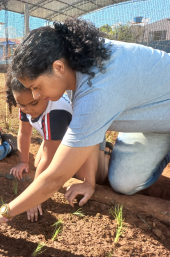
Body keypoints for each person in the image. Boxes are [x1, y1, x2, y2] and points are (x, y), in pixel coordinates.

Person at [0, 18, 170, 230]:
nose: (36, 95)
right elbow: (88, 130)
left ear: (58, 67)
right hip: (147, 117)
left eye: (36, 86)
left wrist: (6, 211)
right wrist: (89, 183)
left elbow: (55, 177)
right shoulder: (79, 65)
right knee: (124, 183)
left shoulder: (97, 90)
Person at [6, 73, 112, 222]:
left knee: (92, 176)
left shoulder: (55, 114)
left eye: (33, 104)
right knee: (38, 166)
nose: (27, 109)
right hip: (58, 137)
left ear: (43, 95)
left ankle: (105, 153)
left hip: (87, 137)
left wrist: (33, 198)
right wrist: (22, 161)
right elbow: (24, 133)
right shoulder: (26, 103)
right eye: (21, 105)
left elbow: (48, 158)